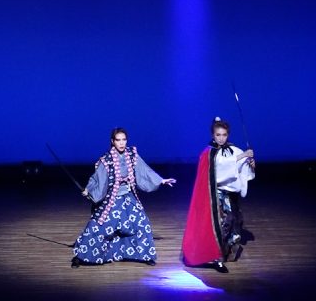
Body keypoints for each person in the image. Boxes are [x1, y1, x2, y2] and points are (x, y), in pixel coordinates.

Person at [71, 127, 176, 267]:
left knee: (142, 223)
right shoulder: (106, 160)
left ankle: (146, 255)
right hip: (112, 200)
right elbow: (97, 178)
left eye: (124, 140)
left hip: (128, 198)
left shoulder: (132, 155)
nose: (121, 143)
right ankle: (80, 256)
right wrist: (88, 190)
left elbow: (144, 170)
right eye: (118, 140)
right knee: (98, 226)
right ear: (112, 141)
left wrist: (160, 180)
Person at [181, 117, 255, 273]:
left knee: (234, 222)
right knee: (221, 224)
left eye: (224, 135)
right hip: (216, 194)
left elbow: (240, 167)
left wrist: (249, 163)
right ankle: (216, 257)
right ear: (213, 135)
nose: (221, 138)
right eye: (218, 135)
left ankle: (225, 253)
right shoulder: (209, 152)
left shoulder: (234, 149)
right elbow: (221, 166)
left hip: (231, 194)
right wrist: (243, 156)